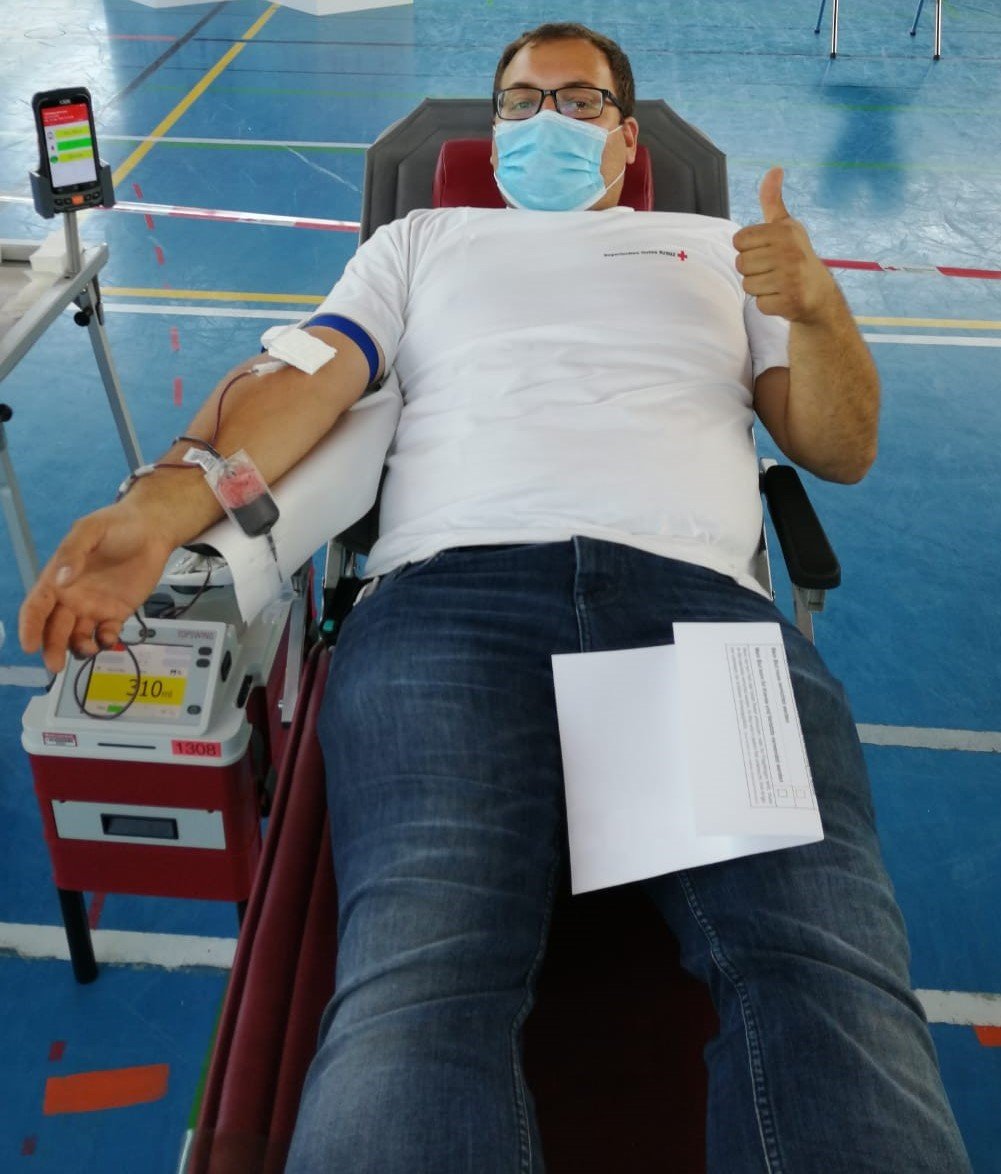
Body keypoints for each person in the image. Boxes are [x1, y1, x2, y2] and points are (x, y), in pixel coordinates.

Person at [20, 21, 970, 1174]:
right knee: (422, 971)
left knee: (817, 962)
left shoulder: (725, 249)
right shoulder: (421, 243)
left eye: (576, 100)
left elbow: (837, 445)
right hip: (448, 605)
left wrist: (816, 313)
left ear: (627, 139)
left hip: (692, 617)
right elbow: (304, 377)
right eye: (518, 103)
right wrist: (167, 501)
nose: (542, 120)